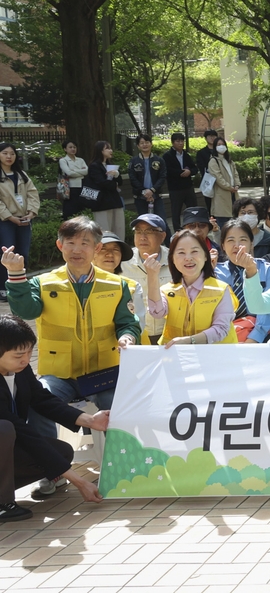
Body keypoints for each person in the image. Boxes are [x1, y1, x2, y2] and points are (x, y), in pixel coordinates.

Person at [3, 216, 140, 446]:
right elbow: (25, 310)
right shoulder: (43, 283)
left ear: (96, 248)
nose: (77, 249)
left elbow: (128, 322)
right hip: (59, 375)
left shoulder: (117, 285)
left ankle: (122, 469)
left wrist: (127, 336)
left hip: (103, 373)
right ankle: (50, 471)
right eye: (70, 242)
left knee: (122, 405)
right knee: (39, 402)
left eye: (85, 243)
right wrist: (16, 275)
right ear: (60, 245)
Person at [0, 315, 108, 520]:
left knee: (63, 452)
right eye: (18, 355)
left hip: (8, 445)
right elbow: (22, 432)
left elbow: (41, 399)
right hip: (7, 435)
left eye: (30, 352)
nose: (26, 359)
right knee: (4, 428)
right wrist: (79, 481)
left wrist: (88, 420)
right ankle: (3, 503)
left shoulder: (20, 370)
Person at [145, 229, 237, 346]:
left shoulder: (221, 289)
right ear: (172, 259)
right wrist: (152, 276)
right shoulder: (167, 290)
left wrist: (189, 340)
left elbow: (221, 329)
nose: (188, 258)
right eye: (181, 253)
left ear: (205, 256)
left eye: (194, 251)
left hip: (215, 357)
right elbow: (156, 313)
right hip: (176, 357)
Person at [213, 219, 270, 343]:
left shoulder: (267, 270)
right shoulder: (215, 272)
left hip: (260, 338)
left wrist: (254, 338)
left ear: (251, 244)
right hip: (221, 337)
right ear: (222, 245)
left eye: (243, 240)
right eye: (230, 240)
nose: (237, 245)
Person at [93, 232, 149, 345]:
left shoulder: (132, 286)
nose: (110, 254)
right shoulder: (81, 284)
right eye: (103, 249)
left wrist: (128, 338)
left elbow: (139, 323)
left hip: (126, 349)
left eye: (115, 250)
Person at [124, 213, 171, 345]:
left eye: (149, 231)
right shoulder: (123, 261)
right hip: (135, 335)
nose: (142, 237)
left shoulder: (175, 260)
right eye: (138, 231)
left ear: (162, 236)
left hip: (168, 335)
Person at [0, 143, 39, 300]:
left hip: (24, 219)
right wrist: (10, 217)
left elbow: (32, 193)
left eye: (12, 153)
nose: (9, 156)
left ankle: (20, 285)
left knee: (23, 253)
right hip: (5, 221)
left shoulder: (21, 174)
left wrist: (31, 213)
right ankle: (3, 287)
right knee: (7, 253)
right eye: (5, 153)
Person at [86, 140, 126, 240]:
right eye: (107, 148)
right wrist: (114, 184)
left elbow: (120, 182)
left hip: (114, 201)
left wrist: (116, 175)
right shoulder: (94, 166)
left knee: (119, 228)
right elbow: (101, 183)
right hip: (102, 203)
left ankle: (119, 250)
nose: (110, 150)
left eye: (110, 148)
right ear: (100, 151)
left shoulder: (110, 165)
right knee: (104, 230)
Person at [163, 133, 198, 232]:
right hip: (175, 188)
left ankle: (193, 229)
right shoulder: (167, 156)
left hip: (188, 187)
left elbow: (194, 168)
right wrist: (181, 173)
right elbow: (167, 171)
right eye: (177, 141)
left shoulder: (186, 155)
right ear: (173, 142)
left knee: (192, 209)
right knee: (176, 212)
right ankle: (178, 231)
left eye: (182, 141)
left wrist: (189, 172)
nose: (180, 143)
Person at [128, 134, 166, 219]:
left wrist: (152, 190)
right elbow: (132, 178)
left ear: (151, 144)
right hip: (140, 197)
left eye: (147, 142)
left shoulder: (159, 160)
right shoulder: (133, 161)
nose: (144, 145)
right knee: (144, 223)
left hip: (156, 196)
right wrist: (145, 191)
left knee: (161, 222)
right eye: (142, 143)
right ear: (138, 146)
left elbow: (162, 177)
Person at [206, 136, 240, 227]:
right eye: (218, 144)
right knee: (223, 225)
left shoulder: (229, 160)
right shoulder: (213, 161)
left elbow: (235, 174)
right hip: (221, 196)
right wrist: (229, 187)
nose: (221, 146)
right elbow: (218, 178)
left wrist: (236, 185)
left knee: (234, 223)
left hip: (233, 194)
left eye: (223, 144)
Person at [58, 140, 89, 219]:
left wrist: (74, 171)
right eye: (70, 147)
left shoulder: (80, 160)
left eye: (74, 147)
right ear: (65, 149)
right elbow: (69, 173)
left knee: (81, 208)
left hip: (82, 186)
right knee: (70, 209)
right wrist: (80, 172)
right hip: (70, 188)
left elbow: (86, 171)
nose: (73, 149)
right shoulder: (63, 160)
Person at [194, 129, 219, 211]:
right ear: (205, 138)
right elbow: (201, 167)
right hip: (208, 181)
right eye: (210, 136)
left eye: (214, 136)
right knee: (209, 203)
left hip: (220, 180)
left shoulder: (220, 151)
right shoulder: (201, 153)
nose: (212, 138)